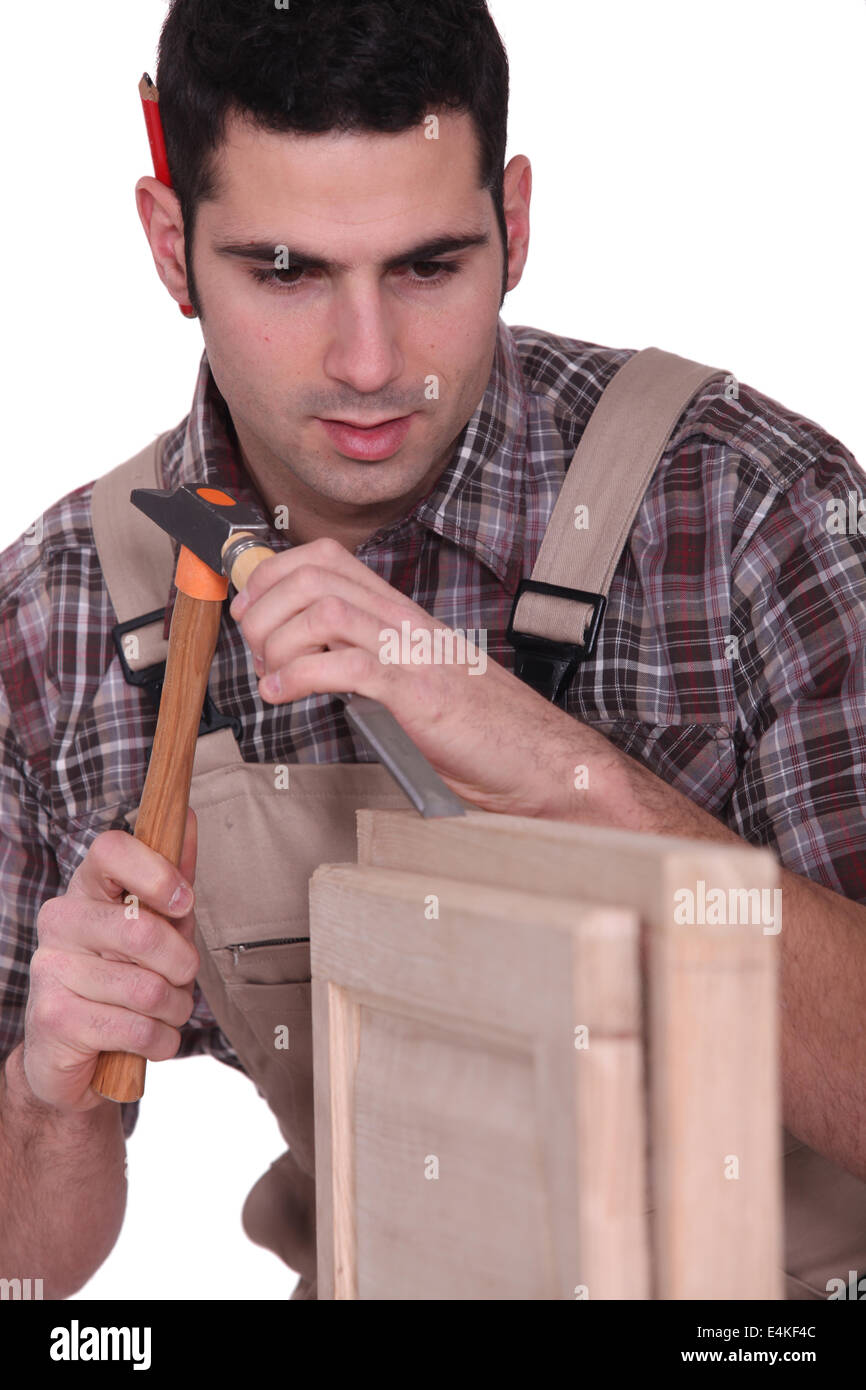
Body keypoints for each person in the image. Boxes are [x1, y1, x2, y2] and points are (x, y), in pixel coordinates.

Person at [1, 0, 865, 1302]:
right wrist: (47, 1093)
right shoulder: (63, 615)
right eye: (285, 270)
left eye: (427, 265)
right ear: (170, 245)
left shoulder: (748, 504)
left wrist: (575, 780)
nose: (368, 363)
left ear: (513, 221)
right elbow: (25, 1266)